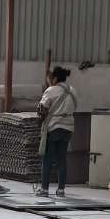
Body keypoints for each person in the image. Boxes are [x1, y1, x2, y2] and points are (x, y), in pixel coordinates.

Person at [35, 66, 76, 196]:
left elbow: (41, 109)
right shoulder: (72, 91)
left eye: (50, 78)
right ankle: (61, 189)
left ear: (55, 78)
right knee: (61, 159)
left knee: (47, 158)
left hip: (53, 127)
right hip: (68, 128)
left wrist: (40, 121)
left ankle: (44, 189)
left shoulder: (51, 90)